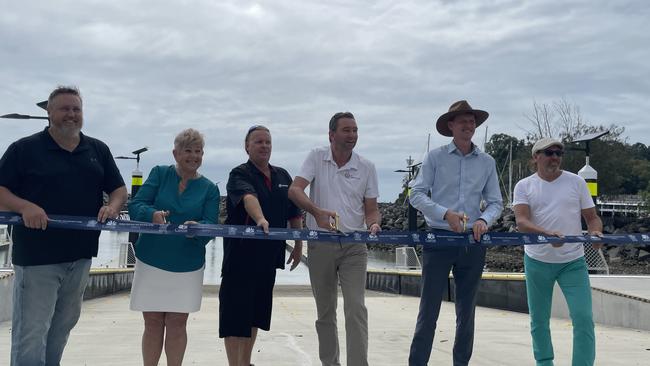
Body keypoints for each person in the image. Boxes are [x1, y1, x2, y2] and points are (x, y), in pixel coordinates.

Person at [0, 86, 127, 366]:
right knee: (31, 333)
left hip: (80, 257)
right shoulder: (24, 149)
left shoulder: (97, 149)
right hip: (37, 258)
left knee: (62, 328)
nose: (71, 114)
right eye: (64, 109)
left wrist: (113, 206)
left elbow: (118, 189)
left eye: (76, 109)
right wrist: (24, 206)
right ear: (49, 112)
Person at [408, 100, 503, 366]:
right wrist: (444, 213)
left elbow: (496, 201)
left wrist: (484, 220)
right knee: (428, 312)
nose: (468, 125)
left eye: (472, 121)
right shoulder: (434, 157)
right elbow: (416, 194)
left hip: (472, 242)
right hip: (438, 240)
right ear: (450, 126)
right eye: (462, 121)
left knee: (467, 313)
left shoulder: (487, 161)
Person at [288, 112, 381, 366]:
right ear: (331, 135)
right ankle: (330, 363)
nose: (352, 135)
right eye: (346, 130)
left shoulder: (367, 167)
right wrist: (316, 212)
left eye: (355, 130)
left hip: (354, 246)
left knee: (356, 309)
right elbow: (295, 190)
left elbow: (371, 208)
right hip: (321, 243)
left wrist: (374, 223)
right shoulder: (317, 157)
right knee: (325, 312)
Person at [128, 128, 219, 366]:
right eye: (187, 150)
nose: (193, 156)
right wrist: (152, 214)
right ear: (175, 153)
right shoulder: (159, 173)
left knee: (178, 323)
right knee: (153, 322)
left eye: (198, 151)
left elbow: (211, 224)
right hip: (151, 260)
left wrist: (197, 228)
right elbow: (136, 204)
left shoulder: (210, 189)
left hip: (187, 265)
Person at [513, 137, 602, 366]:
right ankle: (544, 363)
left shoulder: (577, 182)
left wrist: (596, 234)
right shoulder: (524, 185)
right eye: (548, 153)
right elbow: (522, 222)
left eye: (558, 153)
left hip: (573, 261)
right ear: (536, 157)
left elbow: (592, 218)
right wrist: (546, 234)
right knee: (539, 320)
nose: (554, 157)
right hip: (537, 260)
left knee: (583, 318)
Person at [219, 125, 303, 366]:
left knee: (255, 316)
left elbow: (294, 214)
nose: (264, 146)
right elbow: (248, 198)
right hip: (241, 257)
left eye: (267, 142)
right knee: (235, 318)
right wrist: (260, 219)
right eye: (258, 142)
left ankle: (245, 362)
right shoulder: (239, 173)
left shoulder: (283, 176)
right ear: (247, 147)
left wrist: (297, 245)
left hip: (268, 258)